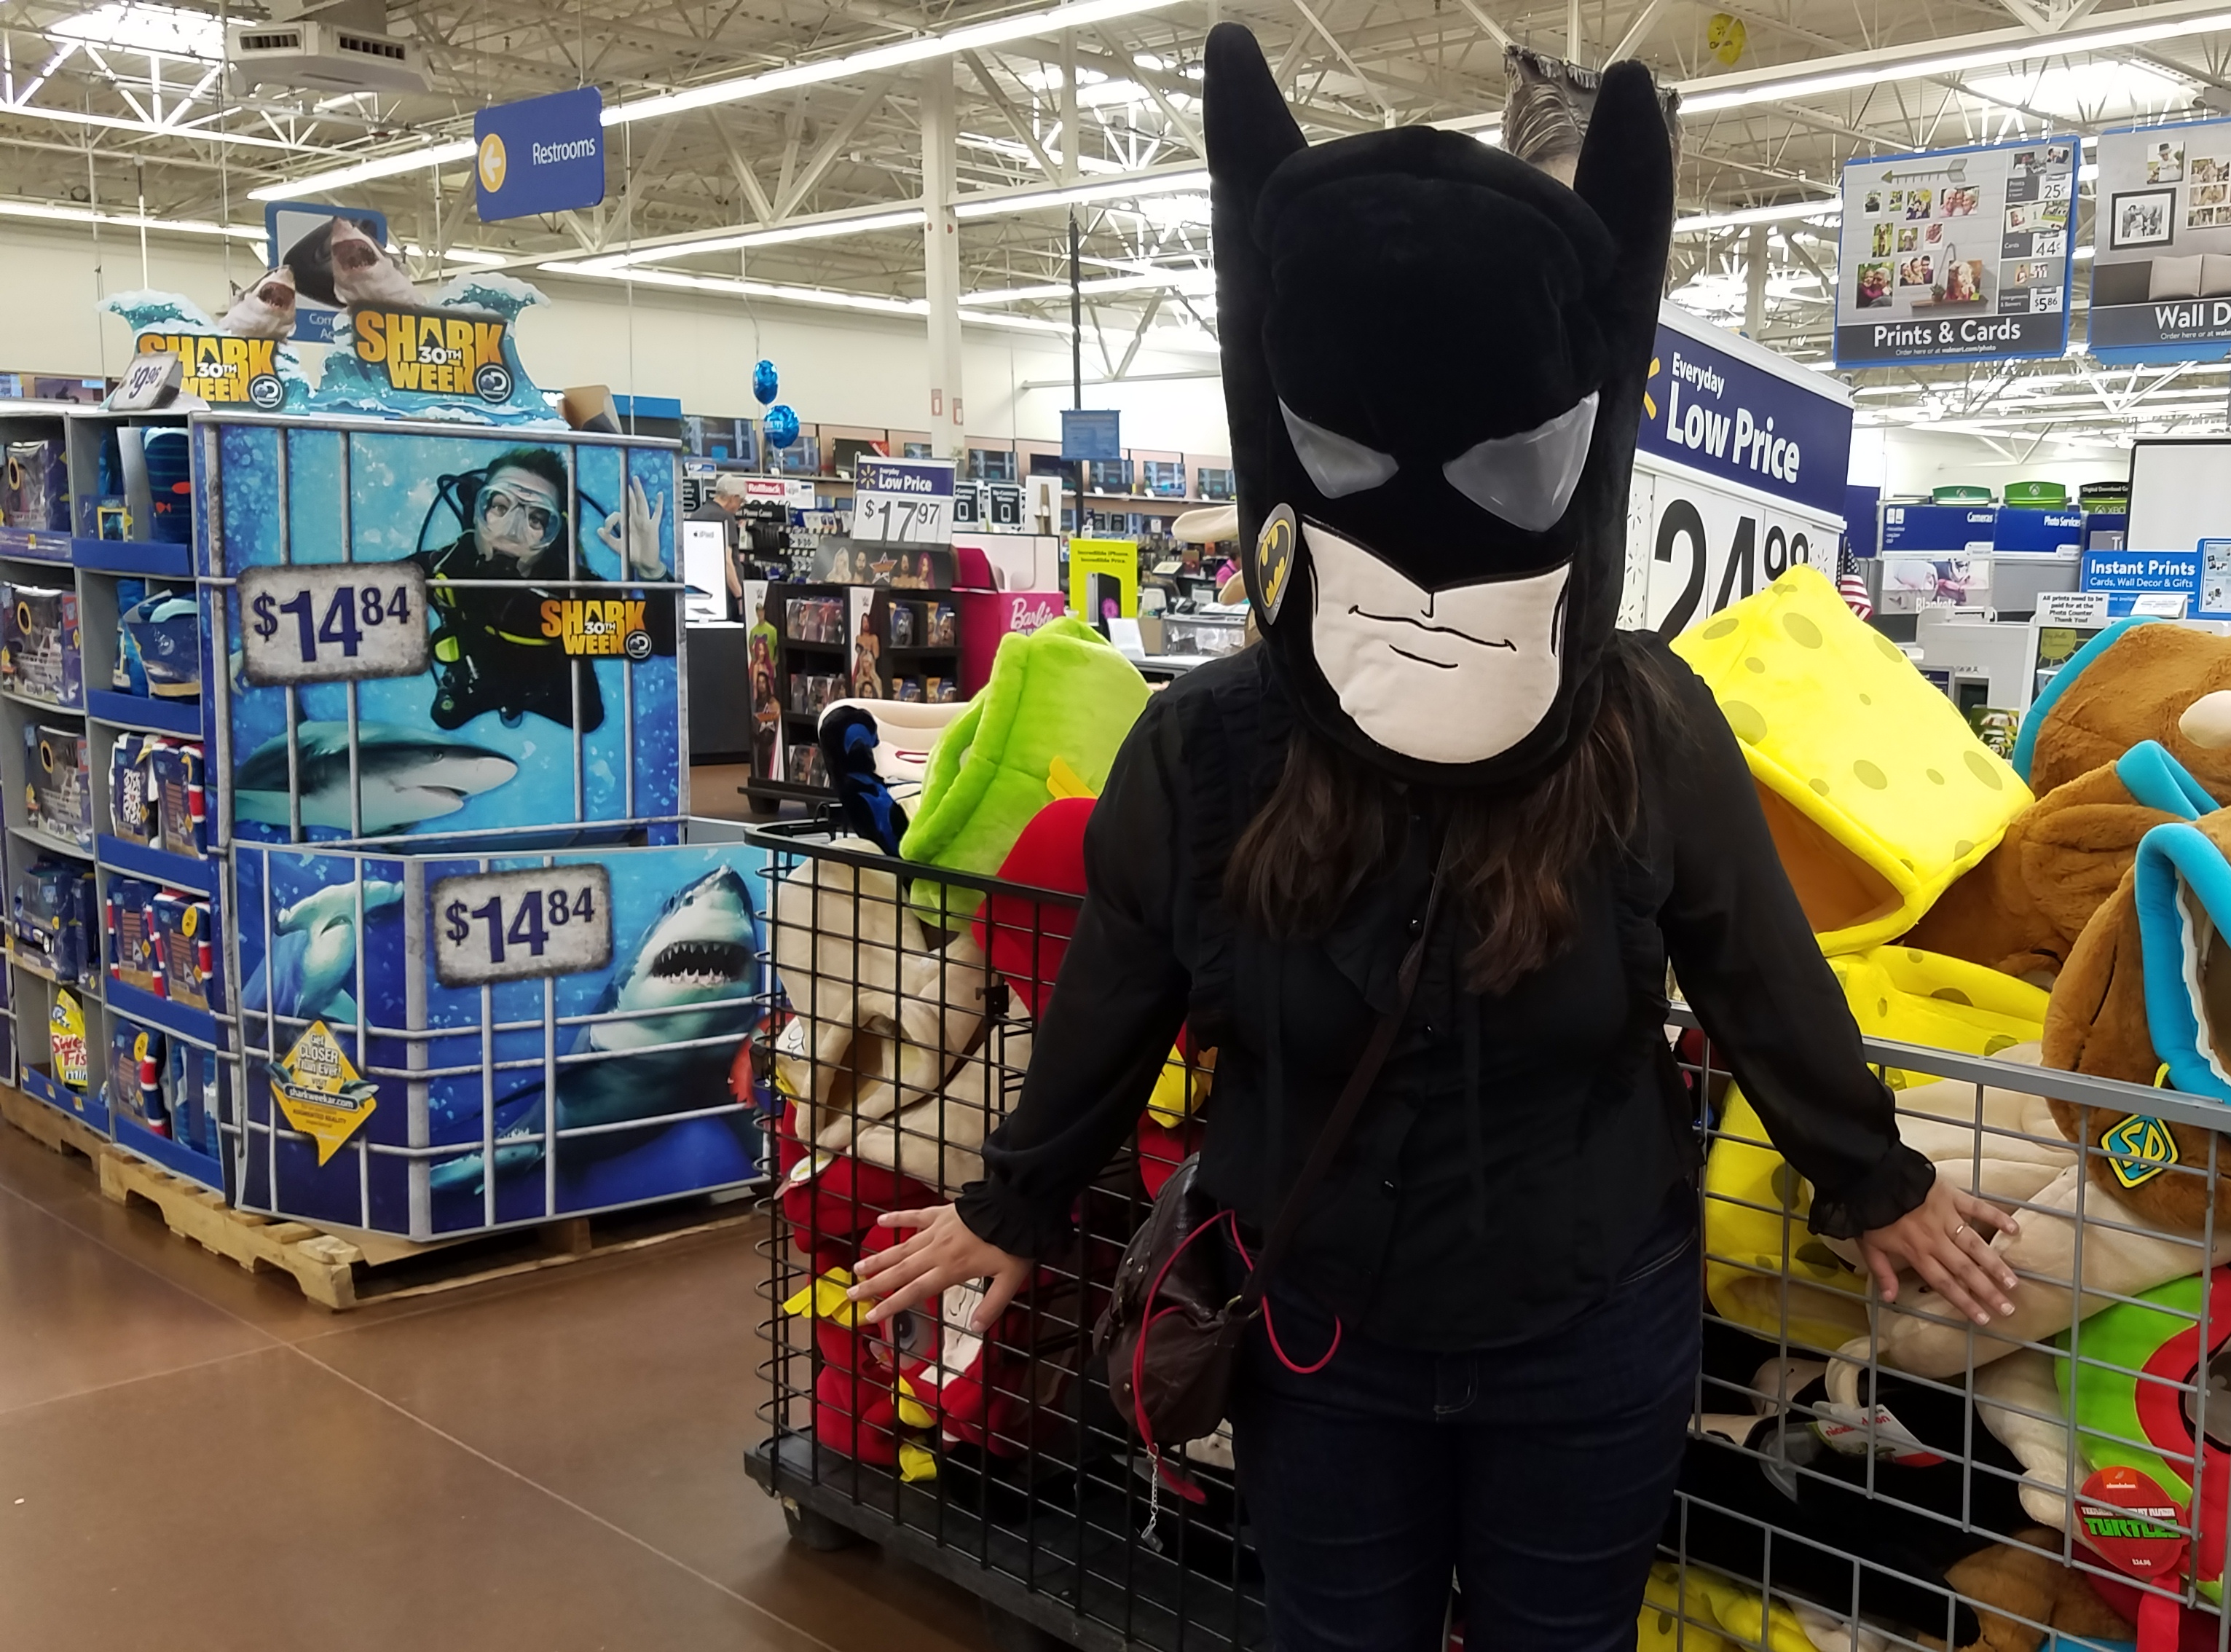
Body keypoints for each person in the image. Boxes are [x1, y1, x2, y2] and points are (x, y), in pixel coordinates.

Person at [849, 27, 2018, 1652]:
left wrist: (1870, 1175)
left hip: (1584, 1323)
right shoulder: (1212, 751)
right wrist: (1016, 1202)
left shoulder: (1642, 726)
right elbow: (1116, 989)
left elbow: (1756, 968)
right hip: (1323, 1328)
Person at [420, 445, 666, 733]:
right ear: (477, 510)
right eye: (500, 507)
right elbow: (374, 593)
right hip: (474, 680)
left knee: (588, 718)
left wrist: (653, 572)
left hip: (552, 690)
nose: (511, 531)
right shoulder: (444, 569)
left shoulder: (572, 592)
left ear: (554, 535)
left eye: (536, 518)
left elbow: (662, 638)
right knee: (446, 718)